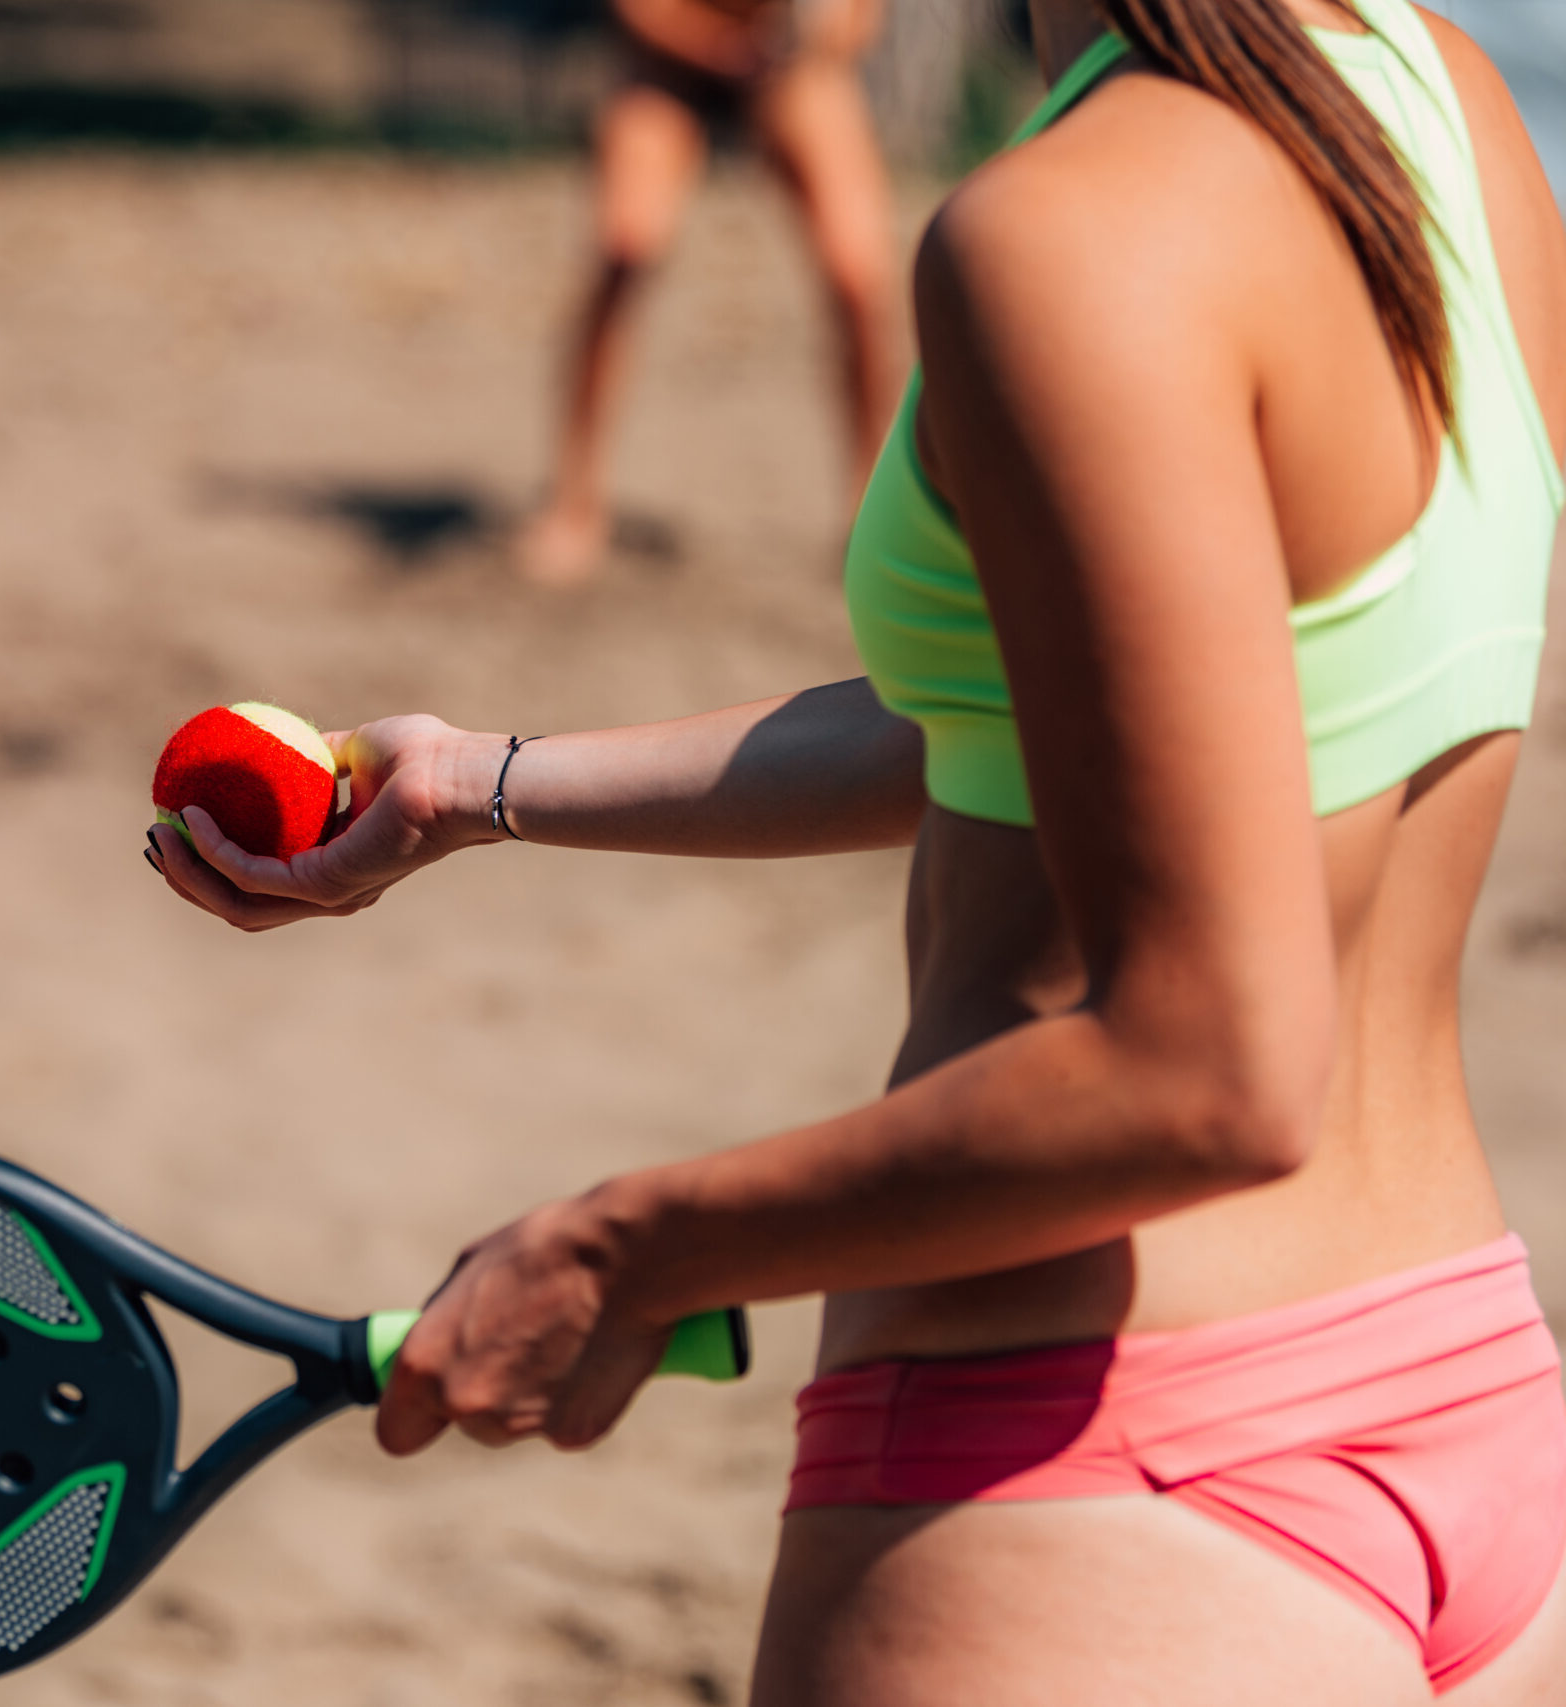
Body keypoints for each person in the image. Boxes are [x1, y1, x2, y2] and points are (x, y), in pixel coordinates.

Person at [148, 0, 1566, 1692]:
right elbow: (1094, 724)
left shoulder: (1064, 235)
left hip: (1095, 1478)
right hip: (1460, 1390)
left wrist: (621, 1245)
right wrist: (484, 782)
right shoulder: (1436, 100)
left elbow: (1212, 1073)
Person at [517, 0, 905, 584]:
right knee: (624, 249)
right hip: (669, 61)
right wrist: (724, 51)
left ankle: (870, 509)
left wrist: (817, 37)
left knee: (859, 278)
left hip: (788, 67)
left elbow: (858, 22)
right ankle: (574, 501)